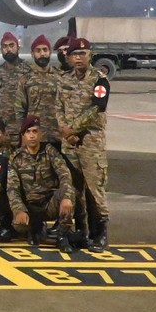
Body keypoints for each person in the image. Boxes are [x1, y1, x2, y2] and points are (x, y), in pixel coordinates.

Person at [56, 38, 111, 249]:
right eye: (75, 54)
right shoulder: (64, 79)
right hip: (69, 143)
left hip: (91, 142)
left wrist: (74, 128)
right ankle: (81, 230)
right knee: (73, 189)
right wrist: (64, 129)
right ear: (68, 57)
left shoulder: (100, 79)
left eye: (83, 53)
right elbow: (58, 107)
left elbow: (98, 107)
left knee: (94, 188)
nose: (79, 58)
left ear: (90, 55)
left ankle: (100, 233)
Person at [7, 116, 75, 246]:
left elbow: (65, 175)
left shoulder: (50, 152)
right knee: (18, 225)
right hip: (30, 207)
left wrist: (66, 197)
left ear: (40, 134)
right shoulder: (15, 158)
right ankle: (34, 229)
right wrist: (19, 210)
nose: (32, 135)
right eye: (28, 132)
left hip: (49, 205)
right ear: (23, 136)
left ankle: (63, 234)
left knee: (69, 193)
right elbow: (12, 188)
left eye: (35, 131)